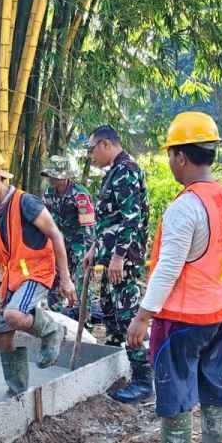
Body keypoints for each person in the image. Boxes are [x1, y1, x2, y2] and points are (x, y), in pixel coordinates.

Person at [125, 111, 222, 443]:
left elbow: (168, 268)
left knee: (174, 385)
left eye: (170, 154)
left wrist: (143, 316)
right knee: (211, 381)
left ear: (181, 157)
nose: (170, 162)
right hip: (220, 310)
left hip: (184, 317)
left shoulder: (184, 207)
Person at [0, 144, 77, 397]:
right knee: (2, 335)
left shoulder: (26, 202)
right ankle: (17, 391)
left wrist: (66, 279)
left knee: (14, 315)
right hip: (13, 277)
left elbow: (56, 235)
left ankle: (52, 330)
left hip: (36, 271)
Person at [87, 125, 153, 403]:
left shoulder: (126, 171)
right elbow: (107, 220)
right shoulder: (114, 171)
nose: (90, 156)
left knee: (127, 316)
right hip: (110, 256)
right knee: (111, 314)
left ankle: (142, 379)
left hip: (123, 261)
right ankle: (115, 370)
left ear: (104, 144)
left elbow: (131, 219)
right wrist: (94, 248)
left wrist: (118, 257)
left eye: (91, 150)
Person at [40, 155, 96, 314]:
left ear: (64, 177)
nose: (51, 179)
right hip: (58, 245)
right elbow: (44, 219)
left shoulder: (80, 195)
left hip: (79, 245)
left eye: (55, 176)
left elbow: (89, 226)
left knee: (80, 282)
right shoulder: (48, 193)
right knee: (54, 281)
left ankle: (83, 320)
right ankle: (56, 316)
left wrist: (89, 252)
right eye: (50, 176)